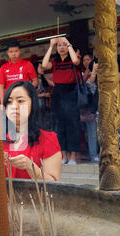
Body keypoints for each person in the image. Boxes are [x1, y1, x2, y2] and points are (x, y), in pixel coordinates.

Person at [0, 81, 62, 181]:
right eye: (9, 102)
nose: (14, 106)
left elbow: (55, 184)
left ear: (33, 104)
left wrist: (31, 167)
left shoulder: (47, 139)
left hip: (34, 196)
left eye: (20, 101)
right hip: (3, 196)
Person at [42, 36, 81, 165]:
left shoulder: (74, 60)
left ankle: (73, 156)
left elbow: (75, 61)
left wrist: (68, 43)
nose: (62, 48)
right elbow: (43, 64)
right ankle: (63, 155)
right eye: (60, 46)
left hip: (71, 93)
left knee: (73, 125)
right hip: (58, 94)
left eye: (64, 45)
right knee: (59, 125)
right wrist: (51, 46)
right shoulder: (54, 63)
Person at [80, 54, 99, 162]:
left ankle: (94, 153)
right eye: (84, 60)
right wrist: (87, 70)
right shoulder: (83, 74)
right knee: (88, 132)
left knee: (93, 132)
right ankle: (90, 153)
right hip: (85, 108)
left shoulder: (95, 73)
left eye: (88, 60)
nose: (86, 61)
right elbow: (84, 82)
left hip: (93, 107)